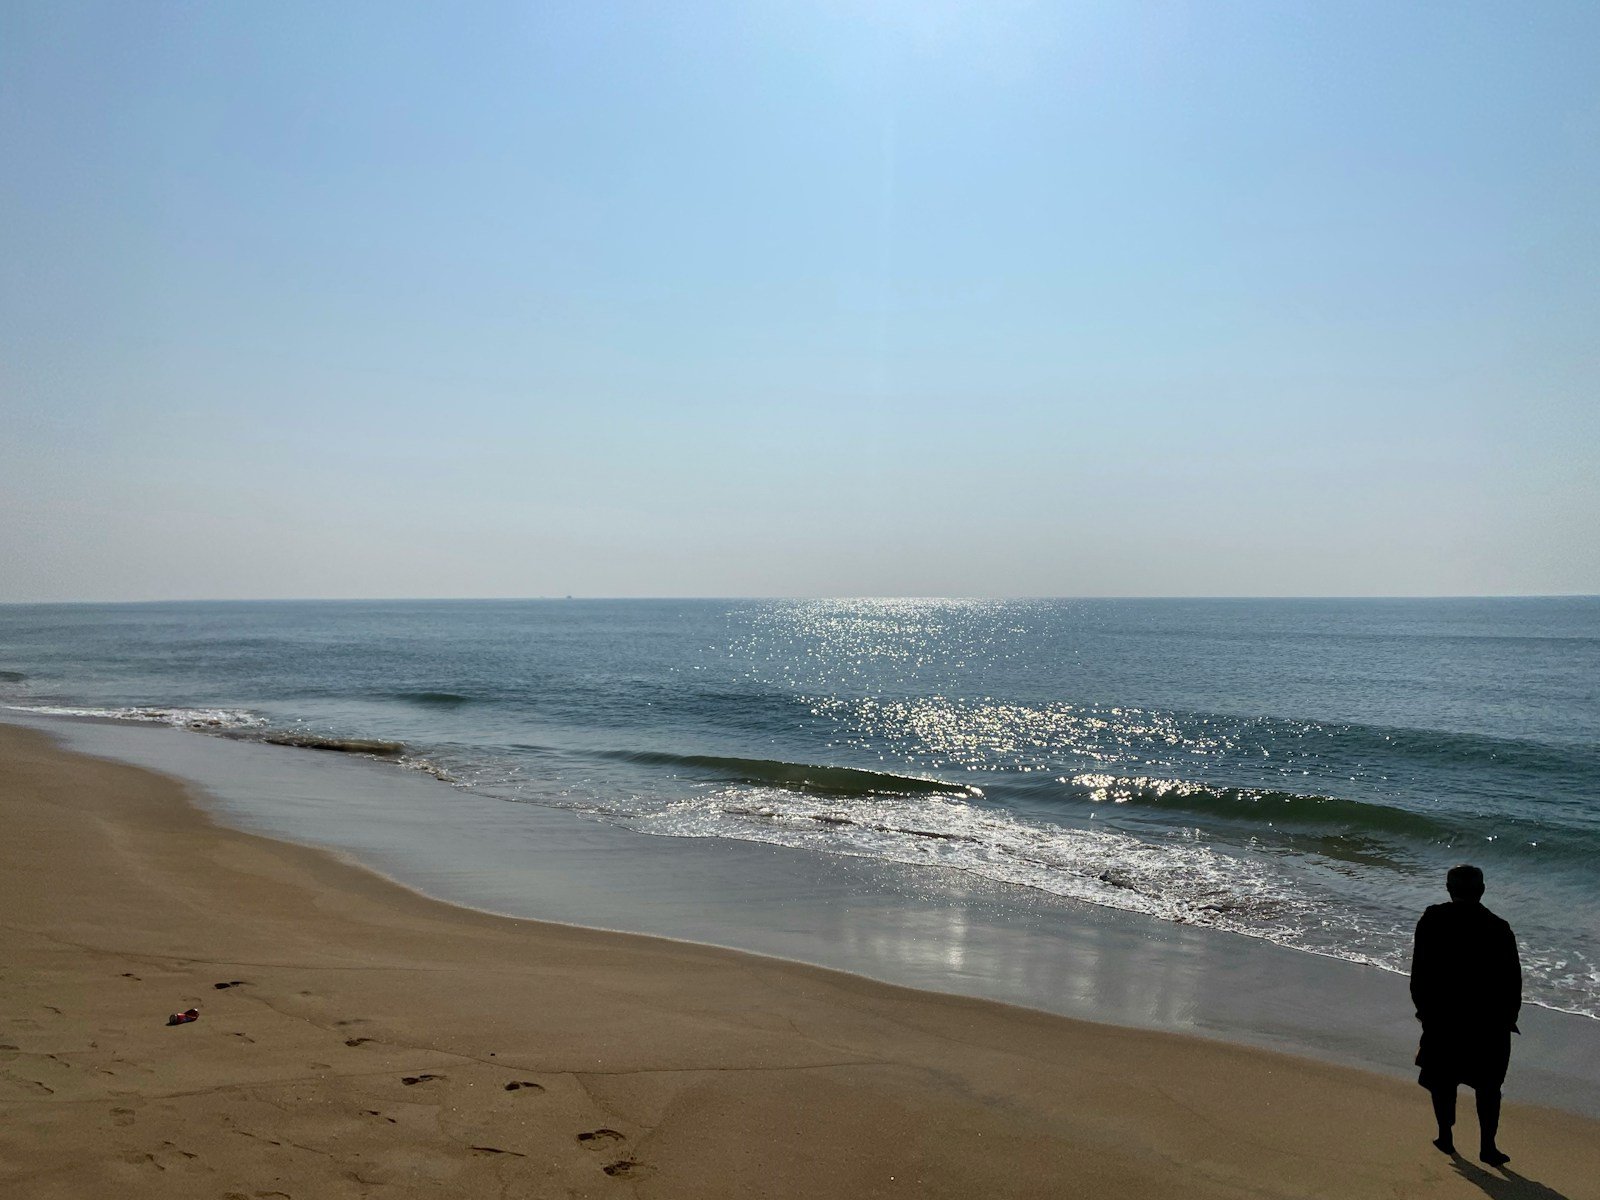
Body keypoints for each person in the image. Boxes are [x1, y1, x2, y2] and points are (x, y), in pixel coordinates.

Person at [1409, 864, 1521, 1166]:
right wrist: (1509, 1019)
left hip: (1443, 1019)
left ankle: (1446, 1136)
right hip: (1488, 1024)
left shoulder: (1432, 919)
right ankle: (1488, 1147)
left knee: (1443, 1081)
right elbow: (1513, 982)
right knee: (1489, 1089)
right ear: (1482, 890)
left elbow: (1419, 973)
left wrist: (1424, 1012)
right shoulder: (1499, 927)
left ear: (1449, 888)